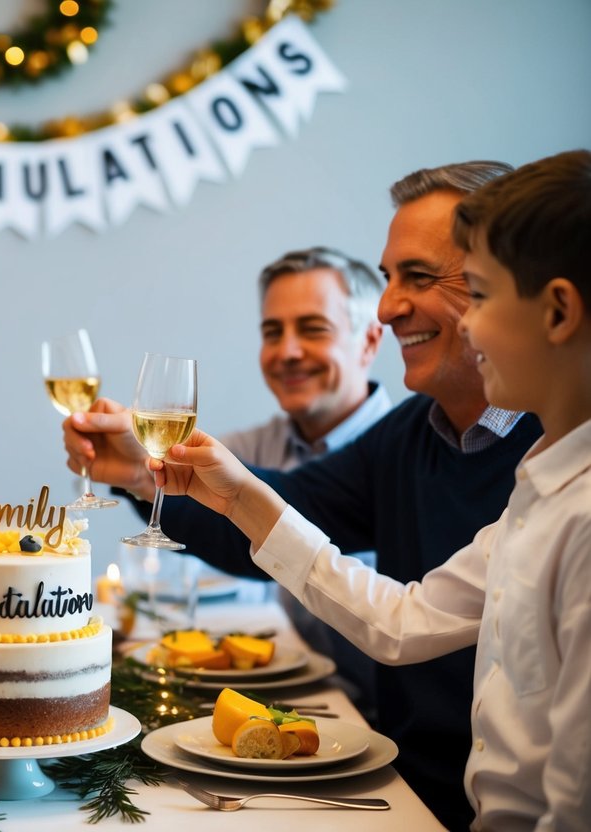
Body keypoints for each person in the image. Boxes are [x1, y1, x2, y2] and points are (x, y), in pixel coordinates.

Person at [64, 160, 541, 830]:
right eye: (387, 279)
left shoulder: (557, 458)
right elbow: (279, 521)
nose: (387, 305)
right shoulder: (411, 431)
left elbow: (396, 619)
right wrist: (144, 476)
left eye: (419, 276)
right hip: (404, 782)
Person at [219, 246, 390, 714]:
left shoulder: (404, 453)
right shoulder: (255, 449)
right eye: (273, 332)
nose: (288, 352)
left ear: (370, 342)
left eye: (313, 329)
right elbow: (185, 475)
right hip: (294, 709)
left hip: (386, 730)